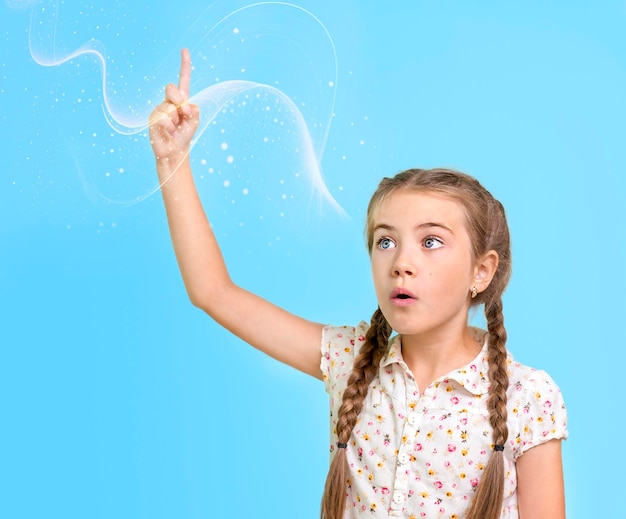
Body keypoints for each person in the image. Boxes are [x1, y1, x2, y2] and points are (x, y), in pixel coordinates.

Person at [149, 49, 567, 519]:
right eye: (385, 242)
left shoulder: (527, 397)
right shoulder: (349, 362)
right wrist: (173, 159)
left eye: (431, 241)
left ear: (482, 271)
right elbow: (213, 292)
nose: (401, 263)